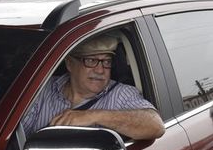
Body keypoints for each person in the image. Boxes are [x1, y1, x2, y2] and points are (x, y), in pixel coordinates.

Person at [22, 34, 164, 140]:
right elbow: (13, 141)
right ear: (70, 63)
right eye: (91, 61)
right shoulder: (42, 89)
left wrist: (93, 116)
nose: (100, 70)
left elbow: (156, 125)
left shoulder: (120, 94)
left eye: (106, 62)